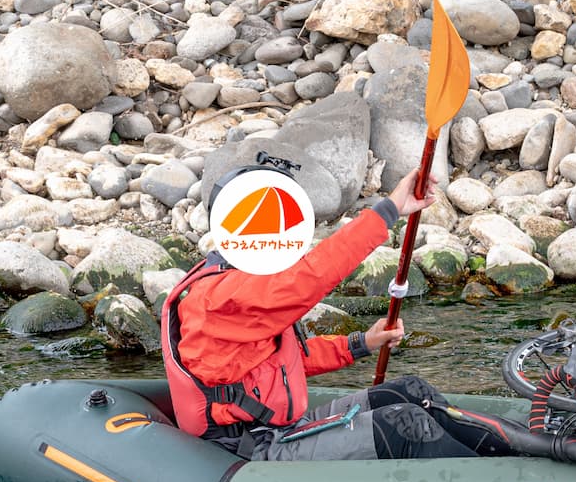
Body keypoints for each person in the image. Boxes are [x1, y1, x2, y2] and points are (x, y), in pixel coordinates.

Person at [161, 167, 511, 462]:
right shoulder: (221, 296)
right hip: (250, 446)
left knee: (409, 389)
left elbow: (284, 360)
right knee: (405, 424)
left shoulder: (246, 284)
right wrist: (387, 211)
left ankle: (513, 456)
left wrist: (361, 343)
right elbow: (310, 278)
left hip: (279, 427)